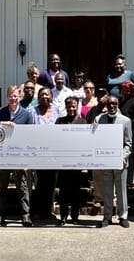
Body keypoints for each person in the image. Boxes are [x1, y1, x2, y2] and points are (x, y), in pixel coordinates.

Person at [0, 85, 34, 227]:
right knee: (2, 187)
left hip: (20, 156)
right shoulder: (1, 112)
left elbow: (30, 137)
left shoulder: (26, 115)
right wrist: (3, 123)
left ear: (19, 97)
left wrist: (27, 160)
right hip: (4, 157)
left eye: (16, 96)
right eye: (11, 96)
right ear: (7, 97)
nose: (13, 99)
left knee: (23, 187)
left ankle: (25, 216)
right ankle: (0, 216)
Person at [95, 96, 132, 228]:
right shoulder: (99, 119)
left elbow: (128, 144)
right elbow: (94, 138)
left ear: (118, 104)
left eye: (115, 103)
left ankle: (123, 216)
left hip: (120, 161)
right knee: (107, 190)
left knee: (121, 190)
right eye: (110, 103)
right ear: (106, 104)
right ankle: (107, 216)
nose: (112, 106)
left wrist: (123, 156)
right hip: (105, 160)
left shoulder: (125, 121)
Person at [55, 96, 87, 226]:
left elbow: (86, 141)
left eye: (74, 106)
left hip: (77, 163)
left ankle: (74, 216)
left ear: (77, 106)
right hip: (63, 163)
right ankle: (63, 216)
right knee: (63, 192)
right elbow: (55, 139)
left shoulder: (83, 122)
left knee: (76, 192)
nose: (71, 109)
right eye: (69, 106)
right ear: (66, 107)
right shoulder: (60, 121)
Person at [31, 87, 61, 222]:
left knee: (51, 184)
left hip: (54, 153)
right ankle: (36, 211)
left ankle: (48, 211)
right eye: (42, 94)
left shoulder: (57, 111)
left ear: (51, 97)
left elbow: (62, 129)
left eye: (47, 94)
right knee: (39, 184)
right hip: (38, 153)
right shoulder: (33, 112)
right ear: (38, 97)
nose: (44, 97)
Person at [119, 80, 134, 188]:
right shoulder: (120, 101)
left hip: (132, 131)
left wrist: (129, 123)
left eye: (128, 90)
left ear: (132, 91)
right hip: (120, 132)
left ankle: (131, 180)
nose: (126, 92)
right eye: (124, 90)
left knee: (131, 154)